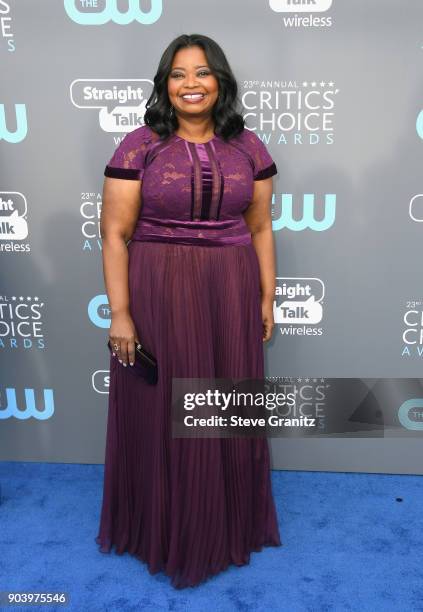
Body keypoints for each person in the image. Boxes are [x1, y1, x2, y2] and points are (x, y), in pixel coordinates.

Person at [95, 33, 282, 589]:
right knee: (164, 407)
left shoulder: (249, 147)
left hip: (229, 283)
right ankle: (163, 527)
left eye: (202, 72)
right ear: (164, 84)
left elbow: (261, 226)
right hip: (159, 285)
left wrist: (266, 295)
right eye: (178, 74)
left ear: (219, 80)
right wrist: (121, 312)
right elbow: (114, 233)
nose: (191, 83)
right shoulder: (139, 146)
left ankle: (227, 526)